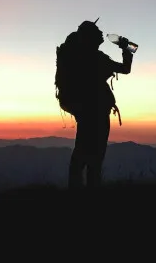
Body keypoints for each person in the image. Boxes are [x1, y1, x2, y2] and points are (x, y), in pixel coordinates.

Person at [55, 19, 134, 189]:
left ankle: (76, 187)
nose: (101, 35)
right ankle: (92, 188)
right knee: (95, 153)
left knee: (82, 149)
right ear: (90, 37)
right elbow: (125, 69)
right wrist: (126, 48)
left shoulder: (76, 56)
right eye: (97, 32)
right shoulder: (96, 57)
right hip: (96, 110)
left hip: (83, 109)